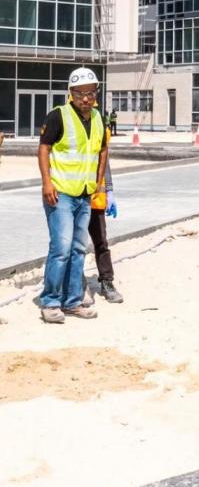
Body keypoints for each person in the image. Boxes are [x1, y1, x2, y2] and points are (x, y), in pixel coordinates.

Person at [38, 67, 107, 323]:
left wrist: (99, 182)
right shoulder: (59, 116)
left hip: (84, 194)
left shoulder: (99, 118)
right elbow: (44, 148)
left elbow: (102, 150)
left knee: (79, 248)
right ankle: (50, 301)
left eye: (90, 93)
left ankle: (73, 301)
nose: (86, 98)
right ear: (71, 93)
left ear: (96, 93)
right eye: (80, 94)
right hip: (61, 193)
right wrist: (47, 183)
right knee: (61, 249)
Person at [84, 119, 123, 305]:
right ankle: (78, 284)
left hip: (95, 198)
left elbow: (104, 160)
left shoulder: (99, 125)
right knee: (73, 246)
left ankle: (107, 281)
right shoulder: (66, 122)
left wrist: (109, 190)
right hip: (72, 195)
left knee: (101, 241)